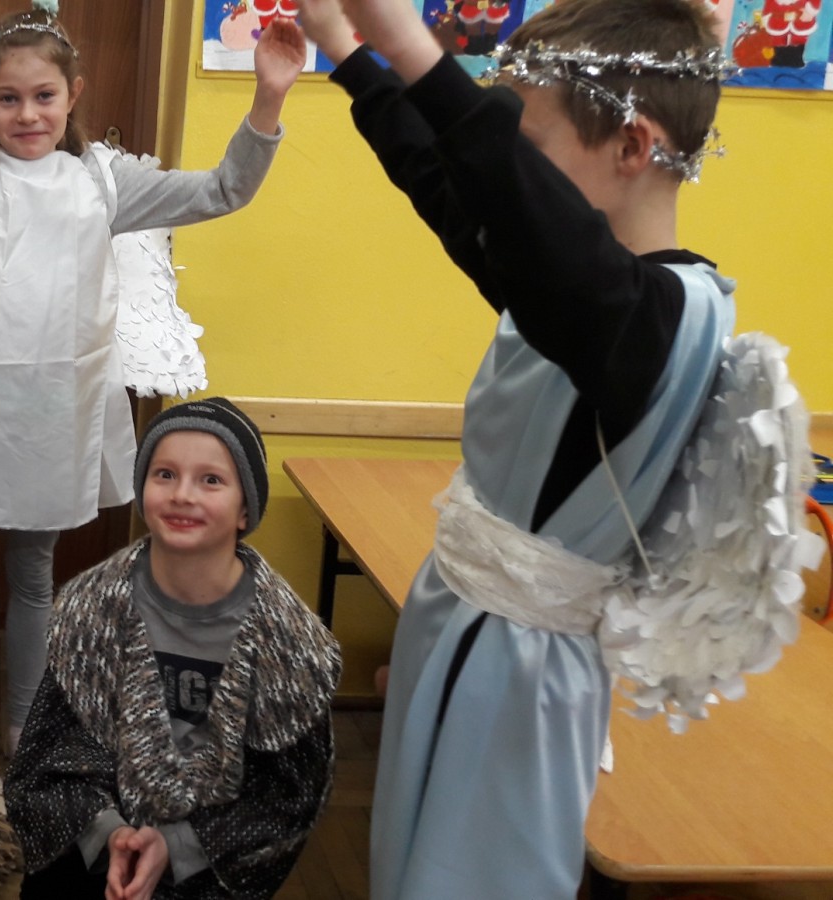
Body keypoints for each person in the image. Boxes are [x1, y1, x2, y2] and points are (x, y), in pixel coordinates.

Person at [292, 0, 739, 896]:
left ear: (632, 146)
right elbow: (449, 185)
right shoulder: (567, 297)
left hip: (519, 680)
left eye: (527, 150)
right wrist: (345, 51)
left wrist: (407, 42)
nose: (504, 179)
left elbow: (508, 193)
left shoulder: (647, 320)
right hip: (468, 636)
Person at [0, 2, 307, 789]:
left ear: (74, 93)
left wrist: (268, 96)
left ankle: (23, 719)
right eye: (8, 98)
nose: (28, 114)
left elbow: (222, 189)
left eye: (44, 96)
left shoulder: (104, 178)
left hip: (57, 413)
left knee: (35, 576)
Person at [5, 398, 341, 899]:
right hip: (94, 851)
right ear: (142, 490)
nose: (183, 495)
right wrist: (112, 835)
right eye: (165, 474)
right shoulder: (91, 613)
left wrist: (177, 845)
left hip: (212, 861)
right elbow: (50, 758)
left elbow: (287, 797)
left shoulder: (290, 644)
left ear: (245, 509)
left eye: (211, 480)